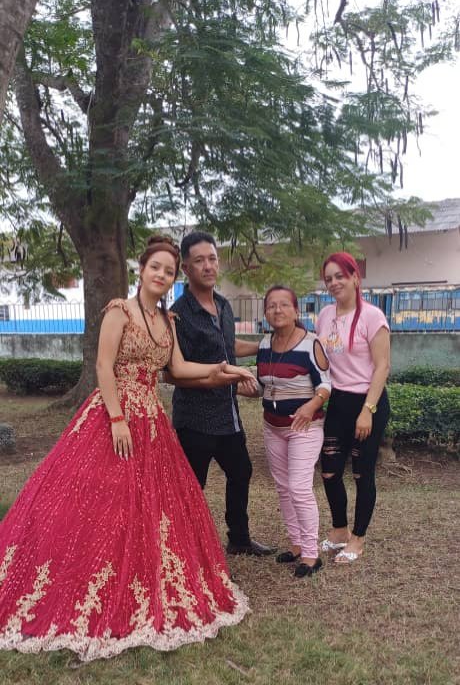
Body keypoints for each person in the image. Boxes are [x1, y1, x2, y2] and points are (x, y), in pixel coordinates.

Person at [0, 235, 254, 662]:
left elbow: (177, 368)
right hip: (111, 416)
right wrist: (117, 418)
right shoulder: (119, 310)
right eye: (156, 267)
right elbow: (104, 366)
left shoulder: (168, 320)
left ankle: (139, 572)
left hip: (152, 420)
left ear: (174, 278)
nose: (162, 275)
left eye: (169, 271)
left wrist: (221, 369)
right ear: (142, 269)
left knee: (150, 505)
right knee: (100, 501)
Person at [167, 231, 276, 557]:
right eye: (199, 260)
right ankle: (185, 548)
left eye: (212, 259)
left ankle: (239, 539)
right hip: (195, 419)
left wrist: (265, 345)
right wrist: (216, 380)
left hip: (228, 416)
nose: (208, 266)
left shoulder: (224, 306)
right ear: (186, 268)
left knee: (241, 471)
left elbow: (229, 346)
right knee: (192, 486)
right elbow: (174, 373)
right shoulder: (178, 313)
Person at [250, 286, 331, 578]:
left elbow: (325, 384)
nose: (277, 310)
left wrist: (311, 406)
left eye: (284, 304)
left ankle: (311, 555)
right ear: (266, 313)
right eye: (271, 306)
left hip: (304, 428)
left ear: (296, 310)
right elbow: (263, 386)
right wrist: (238, 384)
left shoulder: (311, 343)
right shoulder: (265, 344)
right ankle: (296, 545)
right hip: (273, 427)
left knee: (299, 487)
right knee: (283, 488)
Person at [316, 252, 391, 564]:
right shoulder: (324, 315)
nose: (334, 283)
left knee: (362, 473)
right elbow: (321, 361)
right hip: (339, 402)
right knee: (330, 470)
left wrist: (367, 410)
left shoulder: (373, 317)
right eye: (328, 278)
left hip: (367, 402)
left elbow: (382, 366)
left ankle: (358, 539)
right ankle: (339, 531)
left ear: (355, 278)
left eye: (340, 276)